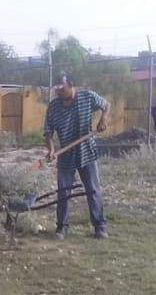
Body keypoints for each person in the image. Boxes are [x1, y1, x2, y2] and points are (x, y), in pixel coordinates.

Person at [43, 72, 110, 240]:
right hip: (65, 154)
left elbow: (106, 105)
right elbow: (48, 132)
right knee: (63, 192)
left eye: (62, 88)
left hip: (87, 151)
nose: (59, 92)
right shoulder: (53, 107)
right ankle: (62, 228)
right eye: (57, 90)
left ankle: (100, 226)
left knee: (93, 190)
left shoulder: (87, 97)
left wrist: (103, 119)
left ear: (71, 84)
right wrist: (51, 150)